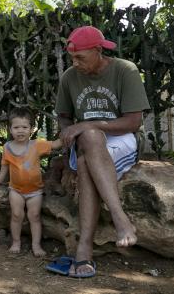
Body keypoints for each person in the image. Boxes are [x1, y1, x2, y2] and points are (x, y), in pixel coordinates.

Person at [47, 26, 150, 278]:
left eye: (80, 57)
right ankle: (120, 221)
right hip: (83, 143)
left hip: (121, 139)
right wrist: (68, 134)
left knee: (86, 160)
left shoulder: (125, 70)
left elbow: (133, 122)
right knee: (89, 140)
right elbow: (63, 118)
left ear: (97, 50)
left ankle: (85, 249)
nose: (75, 63)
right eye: (72, 57)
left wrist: (87, 125)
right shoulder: (70, 77)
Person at [0, 107, 62, 257]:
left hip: (35, 191)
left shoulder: (36, 145)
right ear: (10, 129)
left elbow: (56, 144)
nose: (20, 131)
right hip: (15, 190)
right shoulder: (7, 147)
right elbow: (5, 166)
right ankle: (16, 242)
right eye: (16, 127)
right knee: (17, 215)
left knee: (34, 216)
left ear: (31, 129)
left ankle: (36, 245)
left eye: (24, 127)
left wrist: (70, 132)